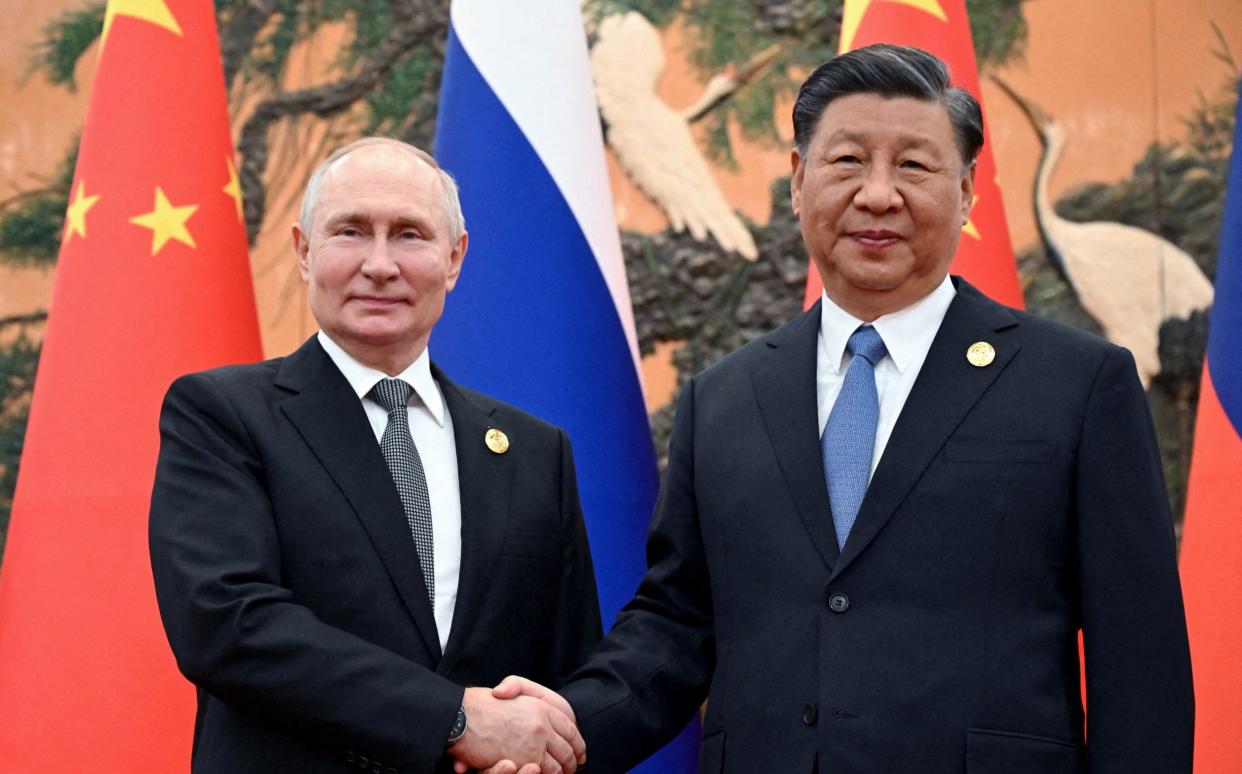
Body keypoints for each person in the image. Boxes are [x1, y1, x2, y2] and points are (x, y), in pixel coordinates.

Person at [489, 44, 1194, 773]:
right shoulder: (724, 398)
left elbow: (1138, 660)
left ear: (967, 190)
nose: (879, 195)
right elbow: (678, 626)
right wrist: (563, 728)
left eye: (915, 166)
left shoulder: (1077, 384)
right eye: (847, 162)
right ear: (798, 181)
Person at [149, 137, 598, 774]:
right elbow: (226, 625)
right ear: (305, 252)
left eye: (410, 234)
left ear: (454, 259)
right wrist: (454, 719)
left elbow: (563, 674)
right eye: (351, 232)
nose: (380, 264)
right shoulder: (222, 415)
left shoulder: (534, 452)